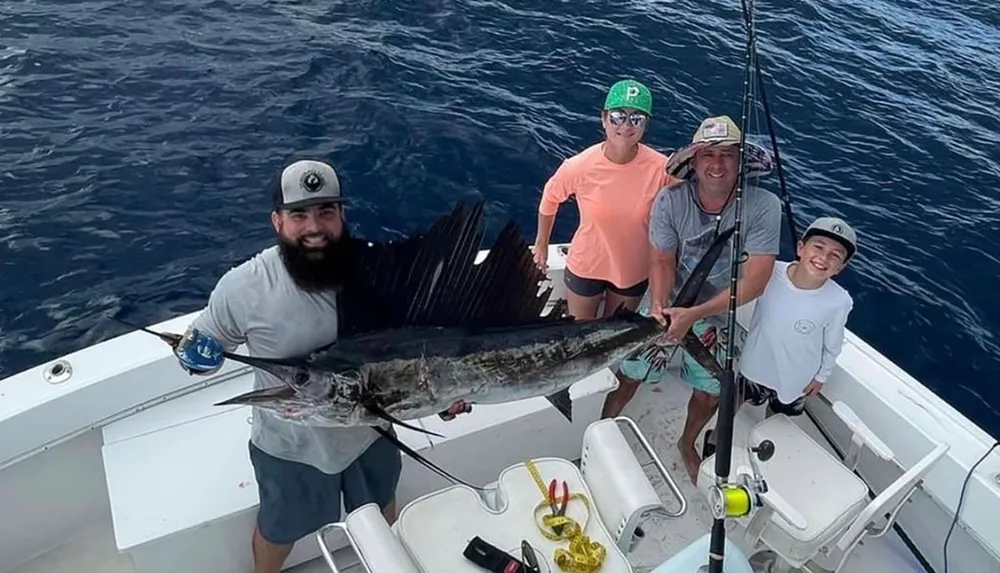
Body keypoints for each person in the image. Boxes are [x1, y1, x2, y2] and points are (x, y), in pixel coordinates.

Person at [171, 158, 468, 573]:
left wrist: (439, 396)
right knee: (279, 532)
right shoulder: (243, 287)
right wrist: (192, 357)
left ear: (342, 215)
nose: (314, 227)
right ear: (277, 221)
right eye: (299, 215)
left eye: (326, 212)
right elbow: (198, 349)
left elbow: (414, 359)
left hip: (371, 434)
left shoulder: (376, 271)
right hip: (290, 448)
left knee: (383, 512)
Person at [600, 115, 783, 483]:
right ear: (694, 162)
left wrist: (696, 313)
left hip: (718, 311)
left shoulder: (763, 206)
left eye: (728, 155)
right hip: (666, 303)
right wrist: (660, 308)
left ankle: (687, 442)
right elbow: (662, 260)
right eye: (708, 154)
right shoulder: (670, 200)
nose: (717, 164)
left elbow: (756, 282)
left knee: (713, 390)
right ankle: (603, 430)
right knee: (630, 374)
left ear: (741, 162)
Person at [533, 78, 678, 319]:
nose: (626, 125)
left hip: (633, 272)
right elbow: (550, 197)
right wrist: (541, 245)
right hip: (586, 266)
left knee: (615, 338)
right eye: (618, 116)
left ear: (645, 125)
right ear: (604, 118)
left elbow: (686, 206)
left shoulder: (663, 169)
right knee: (579, 336)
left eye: (636, 118)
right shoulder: (578, 166)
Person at [736, 216, 857, 418]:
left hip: (796, 380)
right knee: (733, 402)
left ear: (840, 268)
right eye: (818, 247)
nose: (824, 258)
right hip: (754, 364)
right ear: (801, 248)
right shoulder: (769, 271)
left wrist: (821, 377)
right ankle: (714, 438)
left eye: (835, 255)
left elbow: (832, 346)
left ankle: (762, 445)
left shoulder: (840, 300)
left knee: (776, 421)